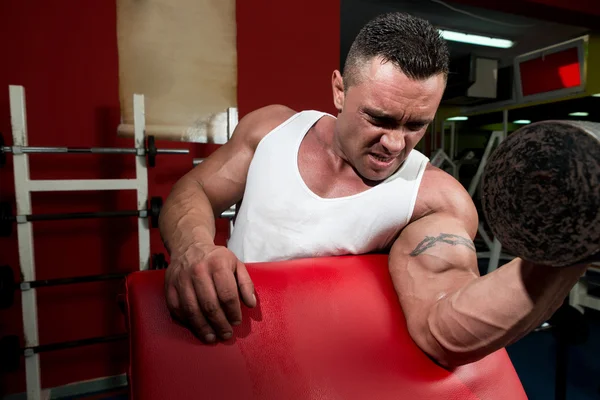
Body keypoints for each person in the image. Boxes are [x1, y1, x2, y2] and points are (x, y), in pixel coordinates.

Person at [158, 12, 587, 368]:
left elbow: (444, 327)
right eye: (380, 119)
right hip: (223, 347)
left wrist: (567, 253)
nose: (395, 143)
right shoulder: (271, 129)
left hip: (324, 373)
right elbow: (193, 188)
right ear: (339, 91)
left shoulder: (433, 199)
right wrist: (193, 246)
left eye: (416, 125)